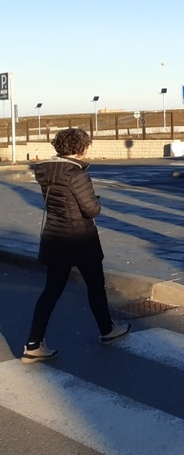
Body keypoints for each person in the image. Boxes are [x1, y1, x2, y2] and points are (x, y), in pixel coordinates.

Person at [22, 128, 130, 362]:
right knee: (95, 286)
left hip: (55, 236)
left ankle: (33, 343)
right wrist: (97, 201)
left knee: (51, 291)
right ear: (81, 148)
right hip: (80, 239)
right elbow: (91, 209)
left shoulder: (46, 170)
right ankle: (107, 330)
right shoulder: (76, 174)